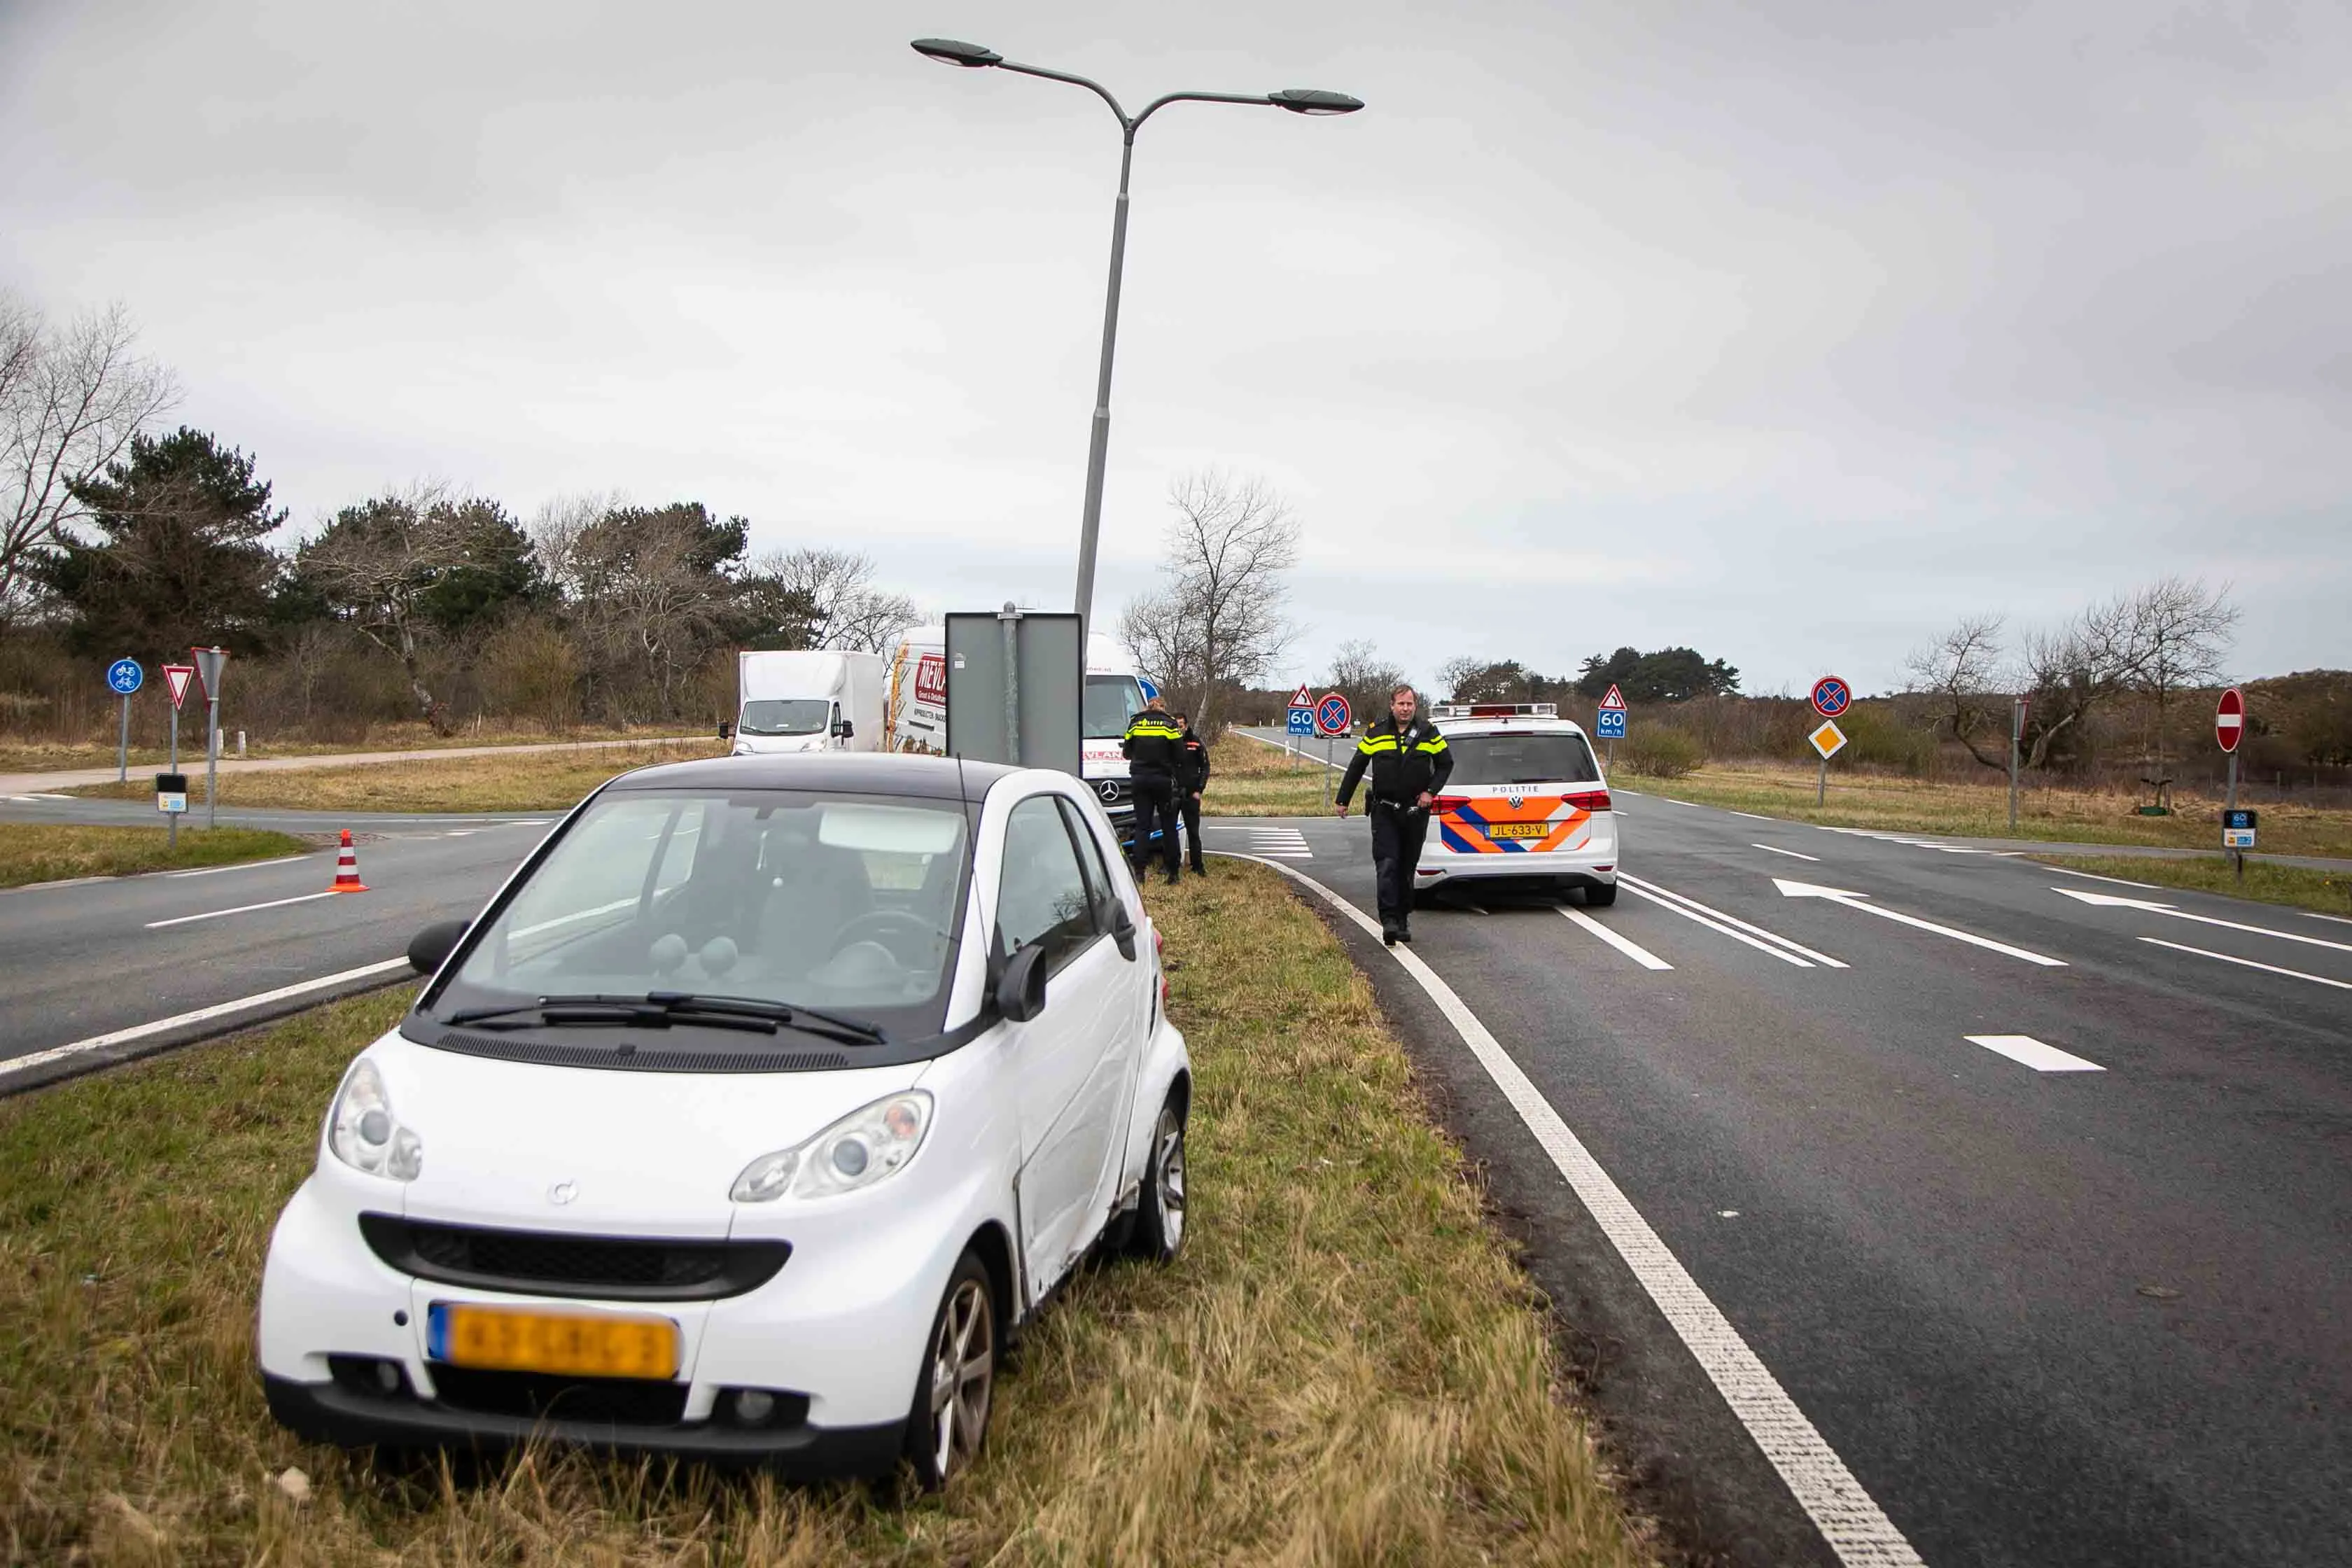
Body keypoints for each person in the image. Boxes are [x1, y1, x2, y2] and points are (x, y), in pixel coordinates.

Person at [1334, 683, 1451, 945]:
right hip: (1384, 810)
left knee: (1406, 867)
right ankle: (1388, 921)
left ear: (1415, 706)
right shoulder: (1376, 734)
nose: (1405, 708)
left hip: (1415, 812)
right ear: (1392, 705)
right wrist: (1343, 799)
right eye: (1401, 704)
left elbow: (1446, 764)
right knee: (1387, 864)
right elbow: (1357, 766)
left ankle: (1402, 918)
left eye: (1410, 704)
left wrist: (1430, 791)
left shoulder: (1429, 733)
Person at [1121, 696, 1186, 886]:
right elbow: (1180, 754)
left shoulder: (1135, 722)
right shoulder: (1169, 724)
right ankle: (1173, 873)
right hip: (1162, 780)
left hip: (1139, 779)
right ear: (1163, 707)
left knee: (1142, 826)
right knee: (1168, 826)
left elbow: (1126, 752)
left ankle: (1140, 872)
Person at [1172, 711, 1210, 876]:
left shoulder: (1196, 742)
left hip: (1191, 793)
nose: (1178, 729)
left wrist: (1199, 789)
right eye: (1175, 726)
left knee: (1193, 832)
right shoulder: (1168, 742)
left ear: (1186, 726)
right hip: (1172, 793)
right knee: (1169, 831)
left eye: (1180, 726)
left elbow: (1206, 767)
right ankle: (1171, 865)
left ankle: (1198, 866)